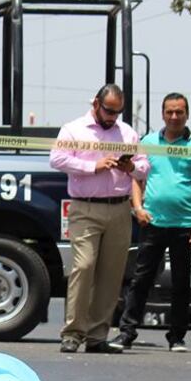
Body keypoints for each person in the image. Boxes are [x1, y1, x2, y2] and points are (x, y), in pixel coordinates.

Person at [50, 84, 148, 354]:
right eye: (108, 110)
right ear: (95, 103)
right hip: (85, 208)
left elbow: (144, 165)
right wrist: (92, 166)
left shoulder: (126, 132)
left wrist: (132, 167)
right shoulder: (73, 129)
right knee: (84, 266)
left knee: (111, 274)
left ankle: (96, 336)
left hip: (118, 208)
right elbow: (56, 158)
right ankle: (72, 332)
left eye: (117, 112)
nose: (112, 117)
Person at [110, 93, 191, 352]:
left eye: (179, 112)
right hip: (152, 223)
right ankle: (127, 332)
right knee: (141, 280)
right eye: (169, 112)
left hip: (185, 224)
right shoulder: (148, 142)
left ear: (187, 114)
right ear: (162, 114)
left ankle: (177, 337)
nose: (174, 117)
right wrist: (137, 208)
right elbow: (136, 177)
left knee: (181, 283)